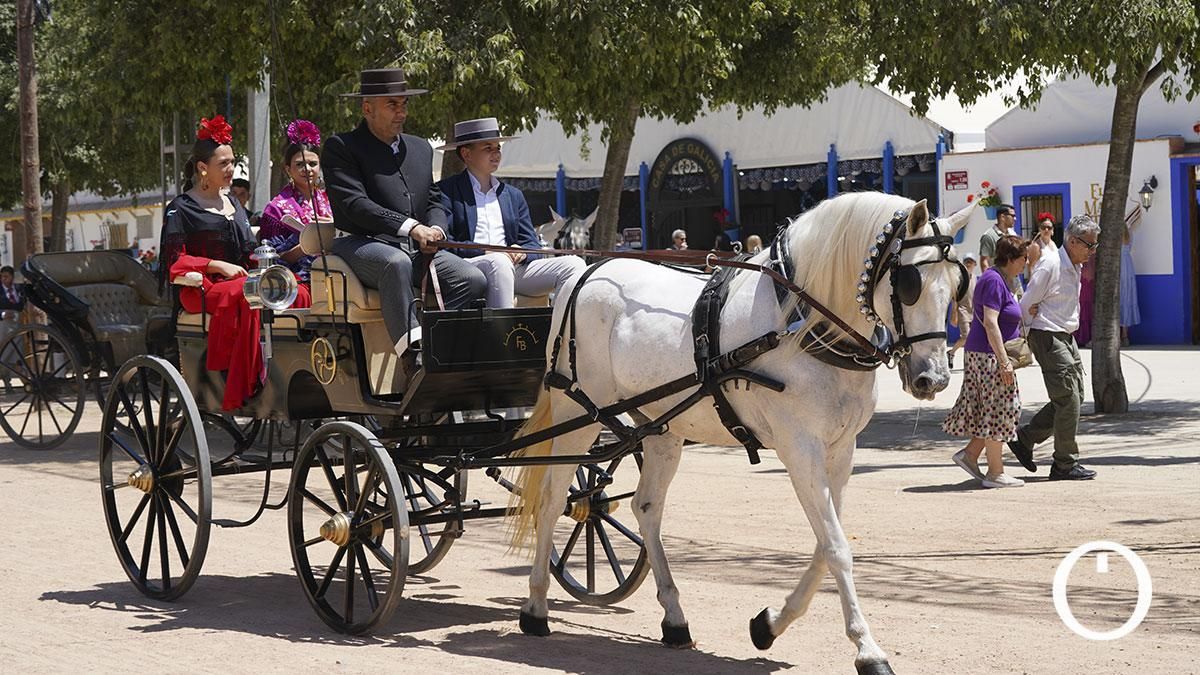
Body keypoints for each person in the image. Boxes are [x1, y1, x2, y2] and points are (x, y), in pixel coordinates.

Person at [321, 68, 486, 355]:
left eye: (404, 104)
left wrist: (436, 229)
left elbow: (433, 199)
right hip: (360, 243)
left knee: (472, 279)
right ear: (367, 108)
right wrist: (411, 227)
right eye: (392, 105)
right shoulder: (342, 147)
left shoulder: (421, 148)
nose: (402, 112)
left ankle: (443, 349)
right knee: (395, 263)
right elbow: (355, 205)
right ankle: (412, 355)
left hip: (415, 247)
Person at [159, 115, 311, 411]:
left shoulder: (234, 204)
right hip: (202, 287)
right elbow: (175, 262)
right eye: (223, 163)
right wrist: (217, 265)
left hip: (242, 279)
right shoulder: (181, 208)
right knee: (249, 295)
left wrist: (287, 254)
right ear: (203, 168)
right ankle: (244, 382)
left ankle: (288, 373)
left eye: (232, 161)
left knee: (298, 291)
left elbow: (250, 252)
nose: (231, 169)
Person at [436, 118, 584, 308]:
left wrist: (521, 253)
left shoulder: (513, 195)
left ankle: (560, 334)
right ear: (466, 153)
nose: (496, 154)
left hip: (512, 268)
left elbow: (532, 244)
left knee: (574, 265)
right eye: (488, 148)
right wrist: (486, 250)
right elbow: (445, 244)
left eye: (498, 148)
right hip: (469, 268)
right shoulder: (445, 192)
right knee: (499, 262)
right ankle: (502, 337)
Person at [1008, 214, 1101, 481]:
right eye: (1090, 245)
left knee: (1073, 397)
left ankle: (1025, 438)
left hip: (1064, 335)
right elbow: (1026, 303)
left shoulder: (1076, 264)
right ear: (1073, 241)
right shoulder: (1050, 264)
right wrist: (1027, 329)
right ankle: (1064, 463)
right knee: (1068, 399)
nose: (1093, 251)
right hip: (1048, 335)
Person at [942, 236, 1029, 488]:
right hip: (988, 356)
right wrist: (1004, 362)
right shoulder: (993, 280)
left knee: (991, 409)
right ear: (1011, 259)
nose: (1025, 263)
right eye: (1023, 258)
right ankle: (995, 472)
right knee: (1002, 408)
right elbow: (990, 322)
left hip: (986, 354)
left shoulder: (1002, 279)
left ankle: (970, 455)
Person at [256, 119, 330, 283]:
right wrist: (306, 247)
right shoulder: (275, 210)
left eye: (313, 164)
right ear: (288, 169)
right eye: (300, 164)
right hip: (295, 279)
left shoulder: (331, 201)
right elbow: (272, 261)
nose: (308, 169)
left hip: (335, 273)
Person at [946, 253, 978, 369]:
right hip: (962, 310)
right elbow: (955, 297)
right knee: (966, 336)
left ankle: (953, 354)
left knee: (972, 338)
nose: (969, 263)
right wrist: (954, 314)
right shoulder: (959, 278)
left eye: (971, 261)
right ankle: (955, 354)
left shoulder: (975, 277)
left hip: (973, 311)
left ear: (975, 264)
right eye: (967, 261)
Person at [0, 265, 24, 393]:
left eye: (6, 277)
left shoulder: (19, 289)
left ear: (12, 277)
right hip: (3, 325)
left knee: (16, 353)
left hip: (17, 323)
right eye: (2, 277)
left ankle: (22, 378)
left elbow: (22, 305)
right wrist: (3, 314)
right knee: (4, 352)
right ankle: (6, 381)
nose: (4, 279)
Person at [1119, 228, 1140, 345]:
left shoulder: (1113, 235)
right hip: (1128, 266)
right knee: (1127, 298)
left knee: (1118, 300)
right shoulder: (1129, 234)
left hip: (1119, 266)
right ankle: (1125, 335)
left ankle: (1118, 335)